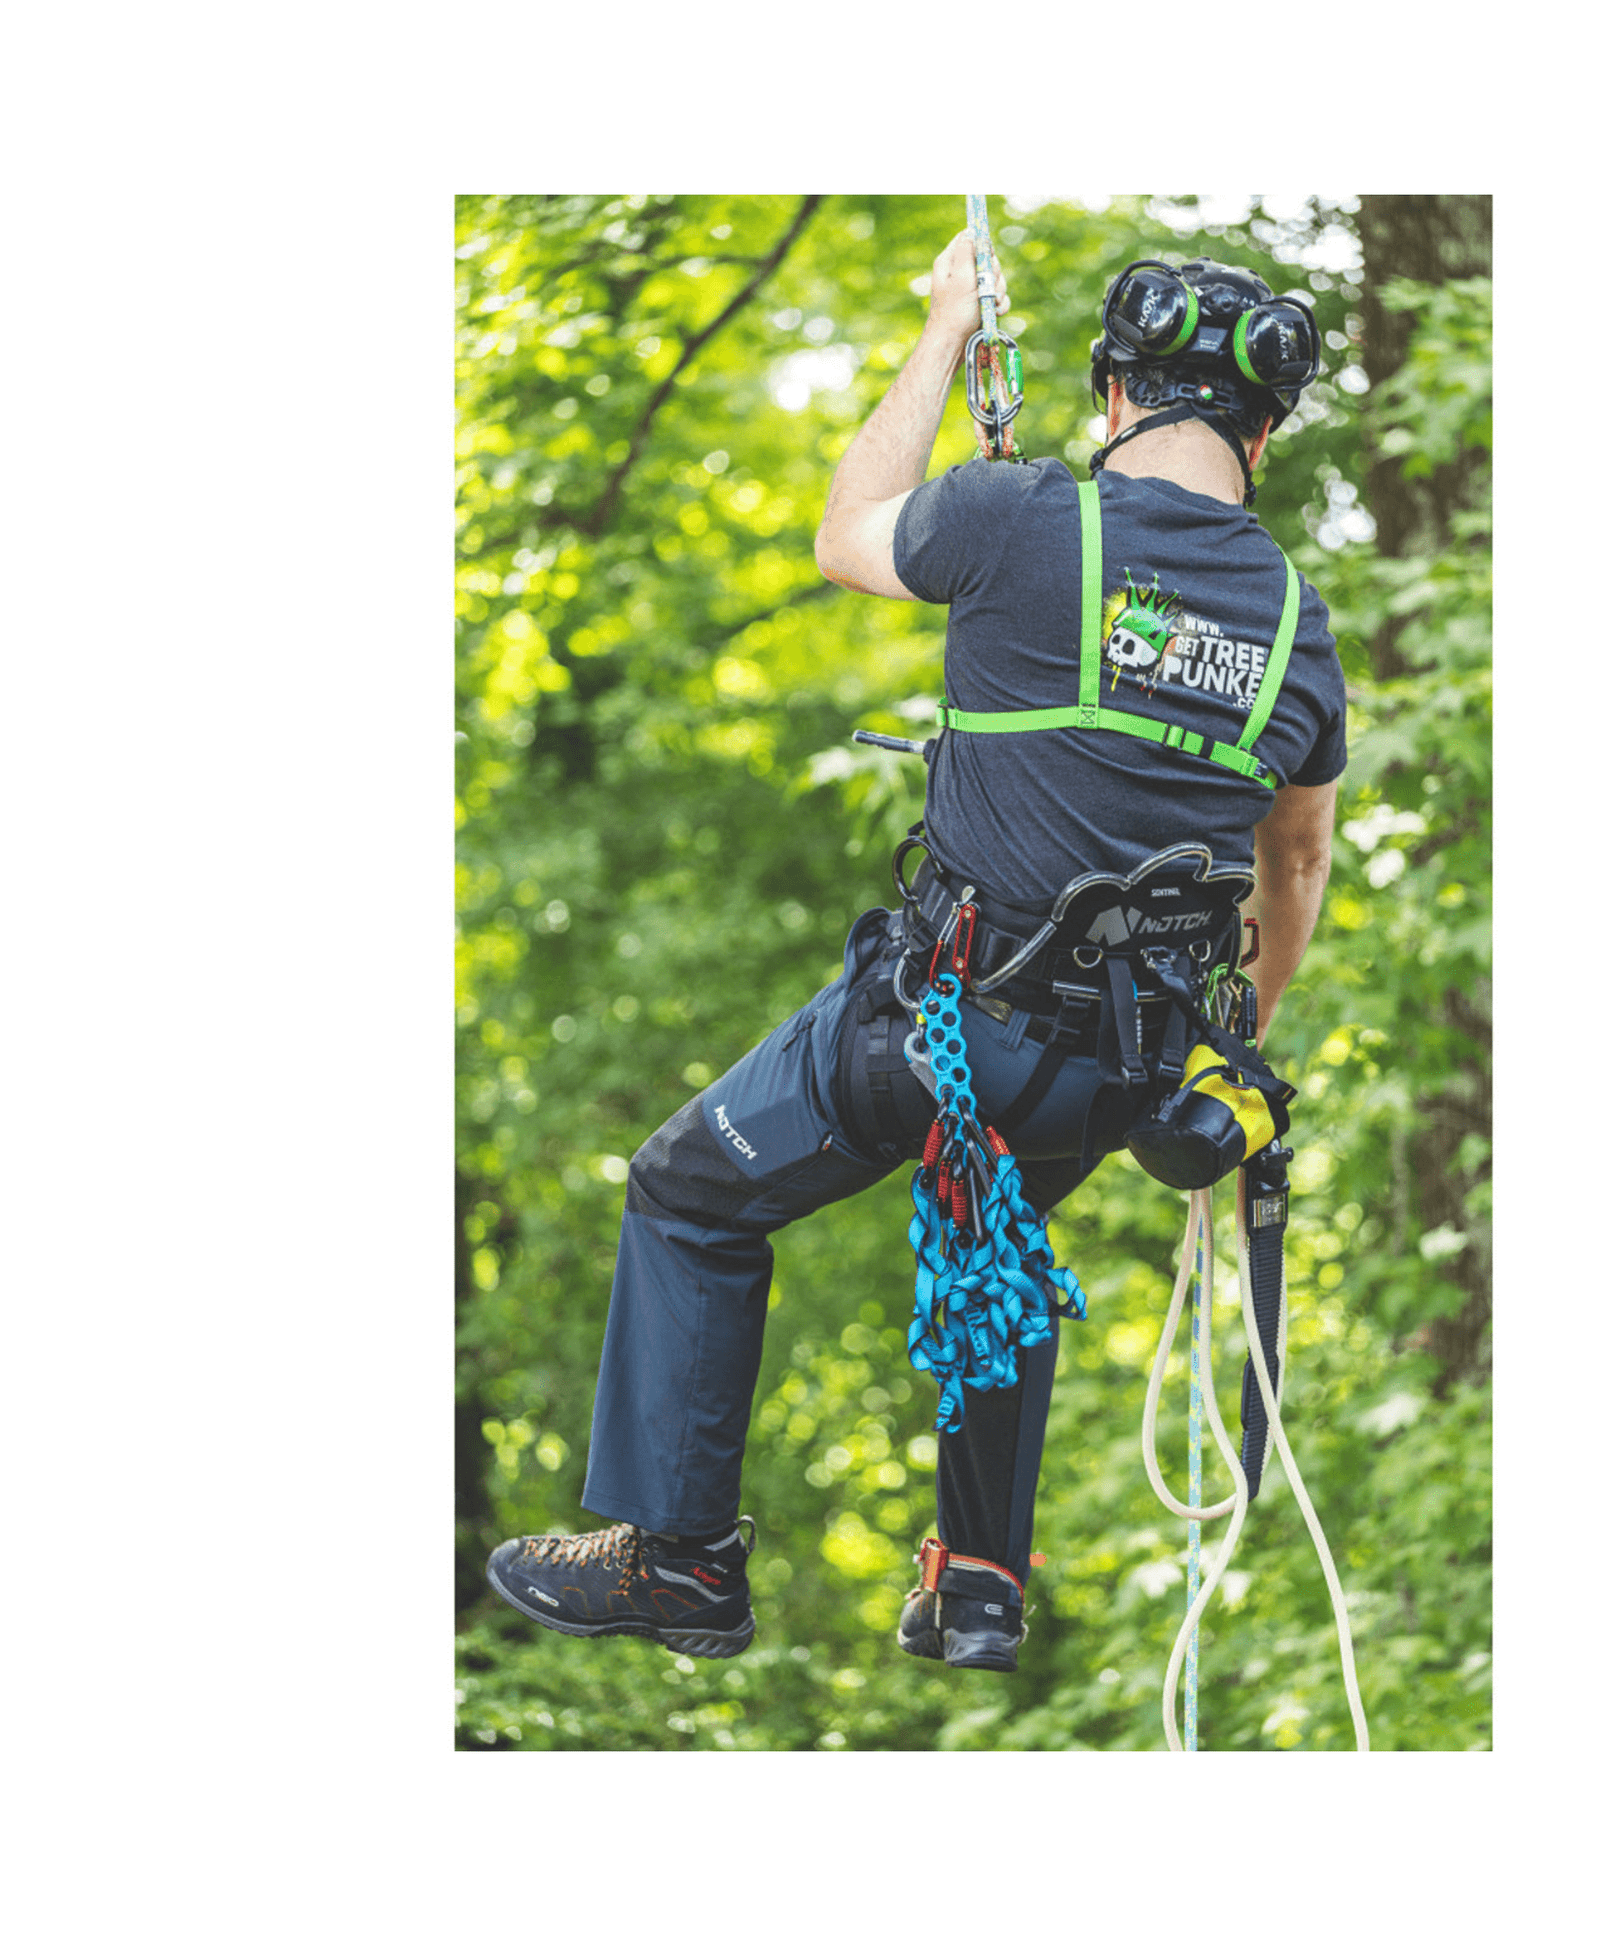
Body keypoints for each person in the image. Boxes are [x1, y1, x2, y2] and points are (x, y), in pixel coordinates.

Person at [486, 229, 1346, 1674]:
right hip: (1117, 1076)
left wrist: (946, 325)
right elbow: (1298, 859)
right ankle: (980, 1580)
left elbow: (845, 529)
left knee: (689, 1190)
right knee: (992, 1214)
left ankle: (680, 1557)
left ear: (1112, 391)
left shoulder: (1013, 516)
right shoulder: (1292, 627)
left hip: (943, 1023)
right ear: (1261, 429)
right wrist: (1225, 1029)